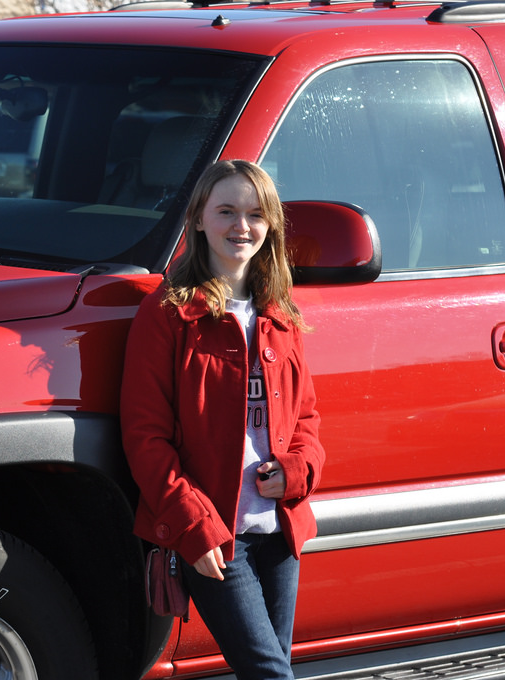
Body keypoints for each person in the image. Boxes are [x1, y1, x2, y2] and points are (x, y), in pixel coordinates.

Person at [120, 159, 325, 680]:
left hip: (279, 530)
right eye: (227, 210)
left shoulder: (280, 314)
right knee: (269, 673)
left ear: (271, 224)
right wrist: (193, 525)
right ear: (198, 218)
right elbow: (146, 438)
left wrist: (297, 472)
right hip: (215, 533)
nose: (242, 226)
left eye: (256, 214)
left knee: (272, 668)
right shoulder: (169, 313)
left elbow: (307, 420)